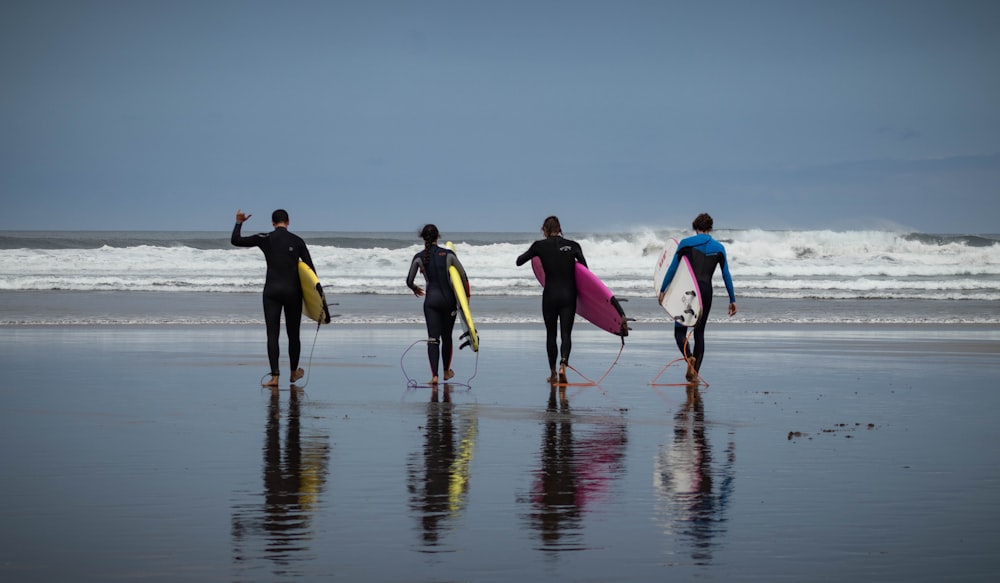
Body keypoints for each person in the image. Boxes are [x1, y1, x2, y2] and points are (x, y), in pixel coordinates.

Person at [231, 209, 317, 387]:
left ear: (272, 223)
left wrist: (239, 222)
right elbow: (311, 273)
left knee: (272, 334)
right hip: (293, 293)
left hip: (271, 292)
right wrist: (318, 302)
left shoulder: (265, 238)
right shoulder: (298, 241)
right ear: (289, 221)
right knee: (294, 334)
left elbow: (236, 241)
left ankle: (275, 377)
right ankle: (293, 373)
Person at [658, 213, 737, 382]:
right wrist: (732, 299)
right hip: (706, 292)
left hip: (687, 291)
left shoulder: (686, 244)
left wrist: (663, 289)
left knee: (680, 331)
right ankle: (694, 374)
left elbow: (672, 269)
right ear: (710, 228)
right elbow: (726, 275)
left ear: (695, 227)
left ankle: (689, 358)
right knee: (699, 333)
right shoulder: (719, 248)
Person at [516, 216, 587, 384]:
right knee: (566, 334)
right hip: (569, 295)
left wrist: (535, 254)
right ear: (560, 228)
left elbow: (519, 261)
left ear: (544, 230)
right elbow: (585, 271)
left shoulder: (539, 246)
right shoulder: (574, 246)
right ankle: (563, 364)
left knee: (551, 334)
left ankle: (553, 373)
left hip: (550, 295)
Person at [406, 224, 470, 385]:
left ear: (422, 237)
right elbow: (463, 276)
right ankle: (446, 372)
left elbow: (409, 281)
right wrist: (466, 299)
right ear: (438, 236)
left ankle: (434, 376)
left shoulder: (419, 257)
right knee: (447, 337)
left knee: (433, 339)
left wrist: (415, 288)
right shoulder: (448, 254)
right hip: (449, 301)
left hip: (431, 302)